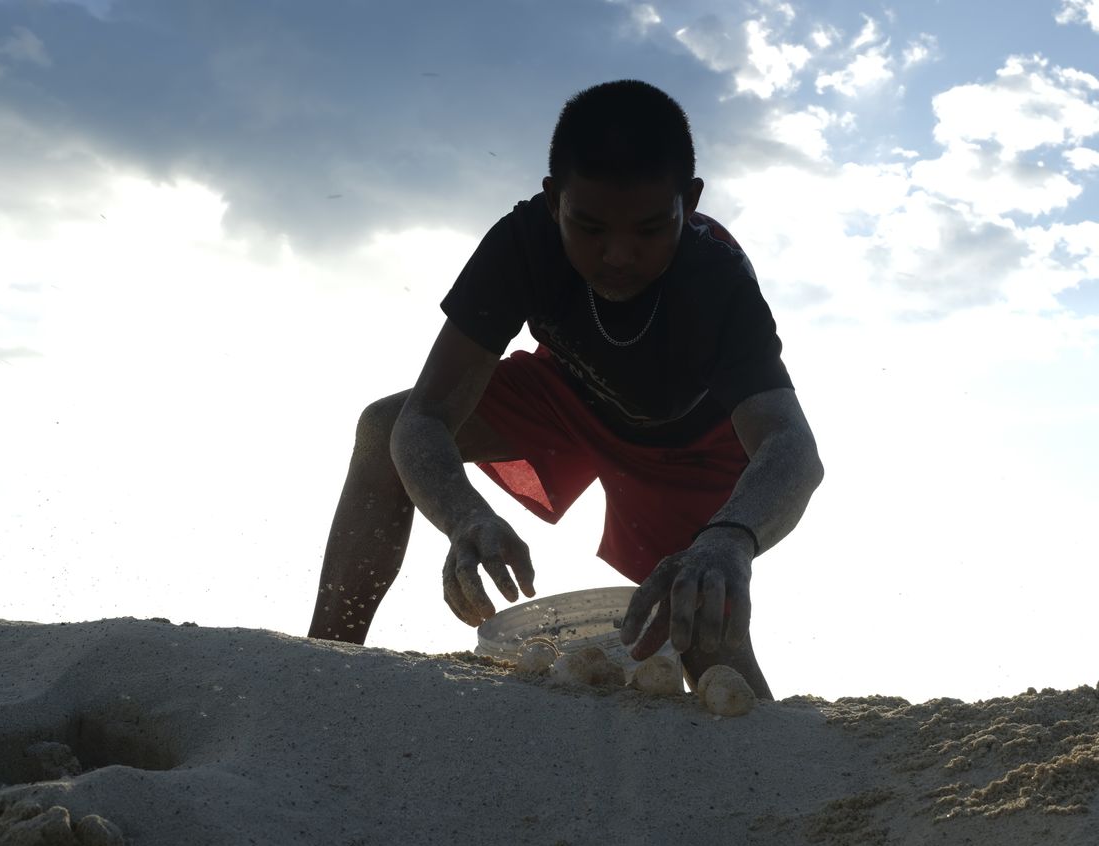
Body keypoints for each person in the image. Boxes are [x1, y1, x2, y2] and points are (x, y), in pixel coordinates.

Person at [308, 79, 823, 700]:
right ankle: (322, 670)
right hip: (568, 399)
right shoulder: (522, 243)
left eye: (651, 229)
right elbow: (425, 418)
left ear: (690, 200)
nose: (618, 256)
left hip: (693, 451)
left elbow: (791, 446)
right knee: (382, 427)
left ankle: (768, 770)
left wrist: (730, 539)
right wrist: (463, 516)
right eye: (591, 228)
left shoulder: (716, 276)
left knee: (706, 642)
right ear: (554, 202)